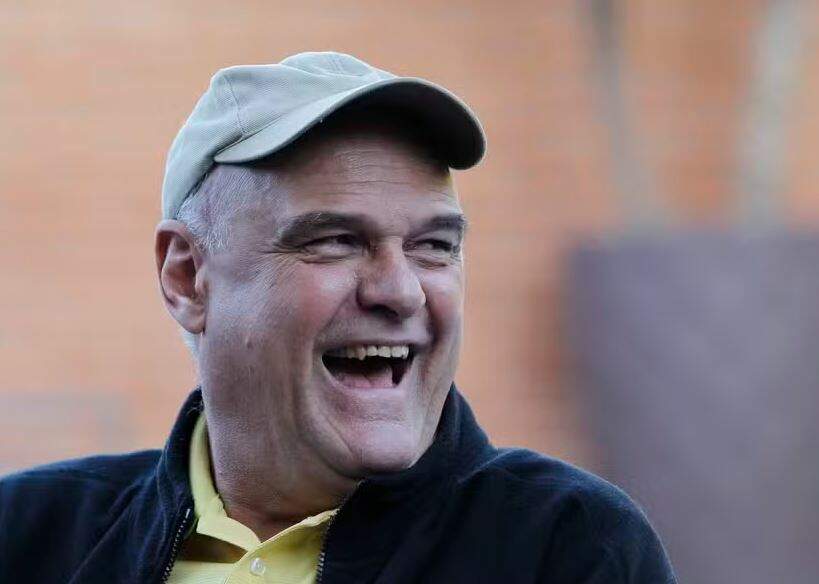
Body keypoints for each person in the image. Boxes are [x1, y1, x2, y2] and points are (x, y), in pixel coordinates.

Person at [0, 52, 677, 583]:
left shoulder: (566, 547)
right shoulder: (28, 537)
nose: (401, 291)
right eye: (335, 241)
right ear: (187, 277)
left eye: (434, 247)